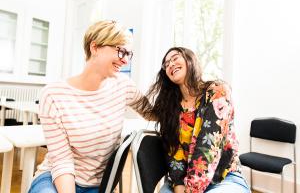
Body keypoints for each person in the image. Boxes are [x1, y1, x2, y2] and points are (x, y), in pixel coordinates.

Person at [28, 20, 147, 193]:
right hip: (55, 178)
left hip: (97, 185)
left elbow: (155, 113)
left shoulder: (124, 86)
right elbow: (62, 161)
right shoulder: (54, 95)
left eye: (129, 54)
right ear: (95, 47)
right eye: (121, 51)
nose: (125, 60)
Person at [137, 47, 251, 193]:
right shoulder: (170, 108)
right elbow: (173, 153)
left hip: (223, 178)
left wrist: (190, 190)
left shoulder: (217, 92)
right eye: (166, 64)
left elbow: (208, 146)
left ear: (189, 59)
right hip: (183, 182)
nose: (170, 64)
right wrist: (178, 184)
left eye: (175, 58)